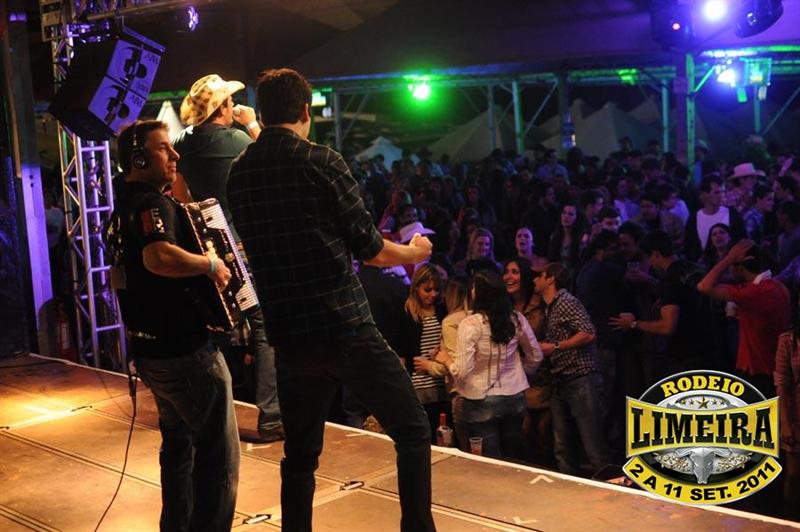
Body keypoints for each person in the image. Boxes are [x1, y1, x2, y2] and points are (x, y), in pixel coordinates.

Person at [227, 68, 435, 532]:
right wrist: (415, 253)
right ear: (306, 110)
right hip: (344, 327)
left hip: (289, 335)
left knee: (300, 457)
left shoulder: (240, 172)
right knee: (412, 429)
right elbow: (372, 250)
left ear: (260, 112)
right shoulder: (322, 161)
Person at [106, 120, 238, 531]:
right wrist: (210, 264)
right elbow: (158, 257)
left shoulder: (122, 208)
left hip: (151, 352)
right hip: (184, 351)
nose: (175, 155)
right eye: (164, 148)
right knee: (217, 457)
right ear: (138, 158)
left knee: (179, 448)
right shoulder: (152, 205)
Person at [171, 73, 282, 442]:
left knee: (218, 326)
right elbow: (275, 158)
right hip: (240, 249)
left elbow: (180, 195)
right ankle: (271, 417)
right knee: (263, 328)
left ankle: (206, 410)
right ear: (221, 109)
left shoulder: (182, 142)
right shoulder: (234, 139)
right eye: (230, 102)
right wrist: (252, 124)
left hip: (209, 248)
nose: (235, 106)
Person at [437, 271, 542, 459]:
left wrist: (446, 359)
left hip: (480, 398)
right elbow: (536, 355)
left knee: (489, 461)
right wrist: (521, 373)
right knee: (511, 458)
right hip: (514, 396)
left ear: (479, 293)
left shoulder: (470, 324)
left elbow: (462, 371)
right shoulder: (516, 318)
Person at [535, 263, 613, 476]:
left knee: (592, 444)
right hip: (562, 380)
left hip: (580, 377)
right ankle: (568, 486)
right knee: (562, 445)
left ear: (551, 279)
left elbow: (589, 333)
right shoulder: (550, 306)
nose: (534, 280)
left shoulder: (566, 301)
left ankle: (612, 486)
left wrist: (556, 346)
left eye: (539, 275)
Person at [697, 240, 790, 398]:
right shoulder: (778, 286)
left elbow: (704, 286)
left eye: (732, 265)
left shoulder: (754, 293)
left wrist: (728, 258)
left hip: (758, 370)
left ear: (739, 267)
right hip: (775, 367)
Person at [611, 230, 709, 376]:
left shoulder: (669, 280)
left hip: (686, 353)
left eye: (648, 257)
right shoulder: (694, 268)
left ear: (656, 254)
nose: (650, 263)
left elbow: (667, 327)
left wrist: (633, 324)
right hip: (708, 347)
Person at [395, 264, 450, 440]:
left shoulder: (442, 309)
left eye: (436, 290)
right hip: (419, 383)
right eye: (427, 290)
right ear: (416, 287)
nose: (432, 294)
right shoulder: (407, 312)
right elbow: (402, 352)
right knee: (425, 434)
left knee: (444, 434)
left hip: (442, 380)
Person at [775, 295, 800, 521]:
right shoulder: (788, 340)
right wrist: (785, 423)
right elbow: (782, 382)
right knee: (793, 476)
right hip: (796, 415)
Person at [684, 175, 745, 262]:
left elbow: (742, 240)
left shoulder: (732, 214)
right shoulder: (694, 219)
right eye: (717, 192)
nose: (721, 196)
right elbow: (689, 249)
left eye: (723, 192)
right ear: (705, 194)